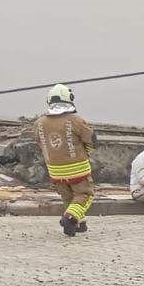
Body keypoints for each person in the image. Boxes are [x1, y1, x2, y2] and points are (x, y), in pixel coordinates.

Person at [34, 84, 95, 237]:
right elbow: (91, 140)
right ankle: (70, 218)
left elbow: (39, 141)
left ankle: (79, 224)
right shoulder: (75, 120)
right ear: (69, 98)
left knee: (68, 197)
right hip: (77, 168)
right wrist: (86, 152)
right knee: (85, 195)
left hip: (54, 170)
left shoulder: (39, 123)